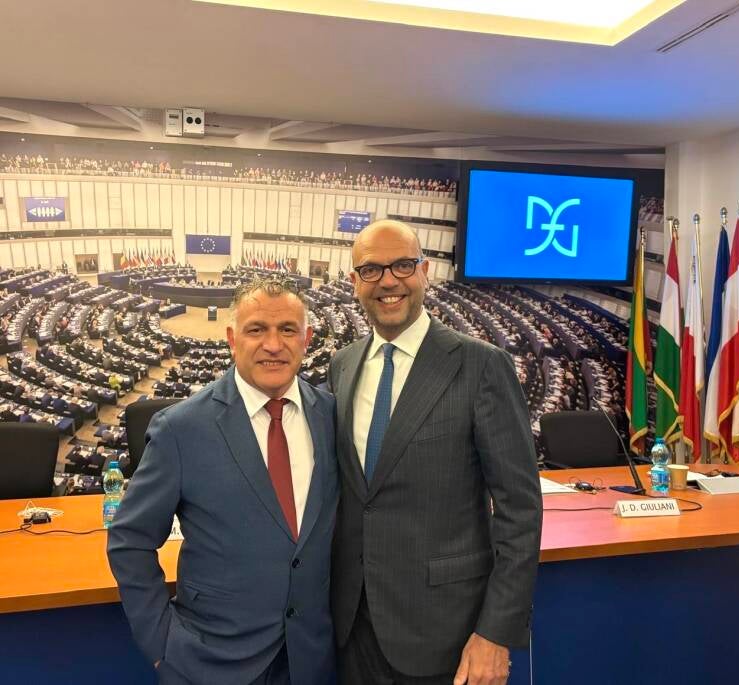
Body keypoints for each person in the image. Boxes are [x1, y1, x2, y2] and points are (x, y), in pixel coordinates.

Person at [328, 220, 542, 685]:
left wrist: (496, 632)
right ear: (353, 282)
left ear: (425, 271)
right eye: (370, 270)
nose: (388, 280)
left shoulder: (481, 364)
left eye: (402, 265)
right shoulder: (342, 365)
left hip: (447, 633)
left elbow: (520, 510)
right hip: (351, 628)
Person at [107, 277, 338, 685]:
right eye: (256, 329)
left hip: (310, 660)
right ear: (233, 338)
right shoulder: (180, 428)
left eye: (287, 329)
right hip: (209, 662)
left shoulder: (331, 417)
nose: (273, 344)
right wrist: (161, 644)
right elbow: (130, 541)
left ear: (307, 339)